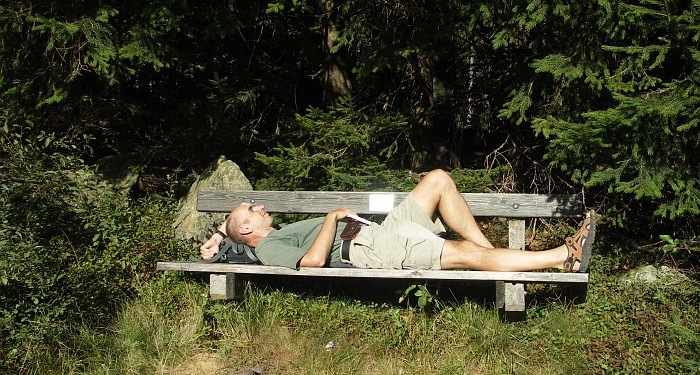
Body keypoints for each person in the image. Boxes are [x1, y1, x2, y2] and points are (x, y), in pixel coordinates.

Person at [200, 169, 595, 273]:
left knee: (438, 179)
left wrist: (219, 235)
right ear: (247, 229)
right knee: (463, 253)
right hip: (367, 248)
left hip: (378, 232)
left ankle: (496, 258)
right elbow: (314, 262)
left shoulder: (263, 234)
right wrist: (331, 218)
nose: (259, 206)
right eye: (251, 209)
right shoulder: (269, 246)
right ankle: (563, 257)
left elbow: (233, 233)